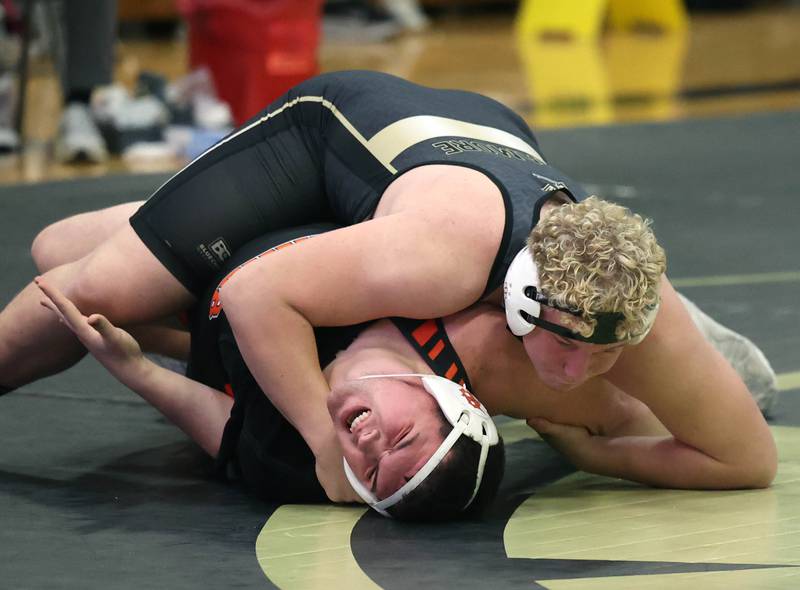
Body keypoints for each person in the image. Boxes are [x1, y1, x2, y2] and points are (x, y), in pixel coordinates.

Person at [0, 70, 776, 502]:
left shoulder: (623, 309)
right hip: (335, 142)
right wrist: (323, 446)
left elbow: (747, 463)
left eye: (600, 354)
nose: (574, 373)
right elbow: (256, 296)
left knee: (56, 247)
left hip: (480, 150)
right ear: (520, 302)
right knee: (89, 282)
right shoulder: (442, 259)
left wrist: (597, 455)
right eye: (566, 347)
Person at [31, 213, 777, 520]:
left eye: (374, 472)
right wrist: (600, 448)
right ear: (452, 399)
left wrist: (139, 366)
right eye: (407, 445)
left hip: (225, 302)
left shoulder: (313, 455)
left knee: (64, 266)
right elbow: (633, 416)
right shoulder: (473, 343)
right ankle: (675, 333)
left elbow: (224, 426)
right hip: (319, 228)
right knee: (590, 362)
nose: (369, 449)